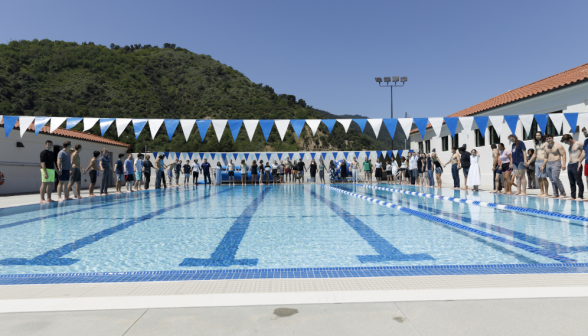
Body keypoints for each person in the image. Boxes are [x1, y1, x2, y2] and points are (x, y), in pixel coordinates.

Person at [541, 134, 566, 198]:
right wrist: (543, 165)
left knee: (555, 178)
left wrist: (564, 164)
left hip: (556, 163)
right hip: (548, 163)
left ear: (553, 138)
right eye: (547, 139)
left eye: (549, 138)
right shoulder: (546, 147)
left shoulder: (558, 146)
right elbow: (545, 157)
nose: (548, 140)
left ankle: (563, 193)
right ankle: (555, 193)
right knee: (551, 179)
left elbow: (563, 155)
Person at [561, 134, 584, 200]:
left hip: (576, 164)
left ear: (570, 139)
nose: (566, 143)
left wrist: (580, 160)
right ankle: (573, 196)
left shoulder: (579, 143)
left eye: (566, 142)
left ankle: (580, 196)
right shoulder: (570, 145)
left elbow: (585, 151)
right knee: (571, 181)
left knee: (579, 181)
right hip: (570, 164)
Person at [527, 132, 549, 196]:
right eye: (536, 135)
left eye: (539, 135)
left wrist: (544, 163)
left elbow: (547, 154)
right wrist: (529, 161)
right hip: (537, 162)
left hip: (543, 161)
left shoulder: (546, 143)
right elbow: (534, 154)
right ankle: (542, 192)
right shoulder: (536, 145)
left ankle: (546, 192)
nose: (537, 136)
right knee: (539, 177)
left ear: (542, 136)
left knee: (544, 177)